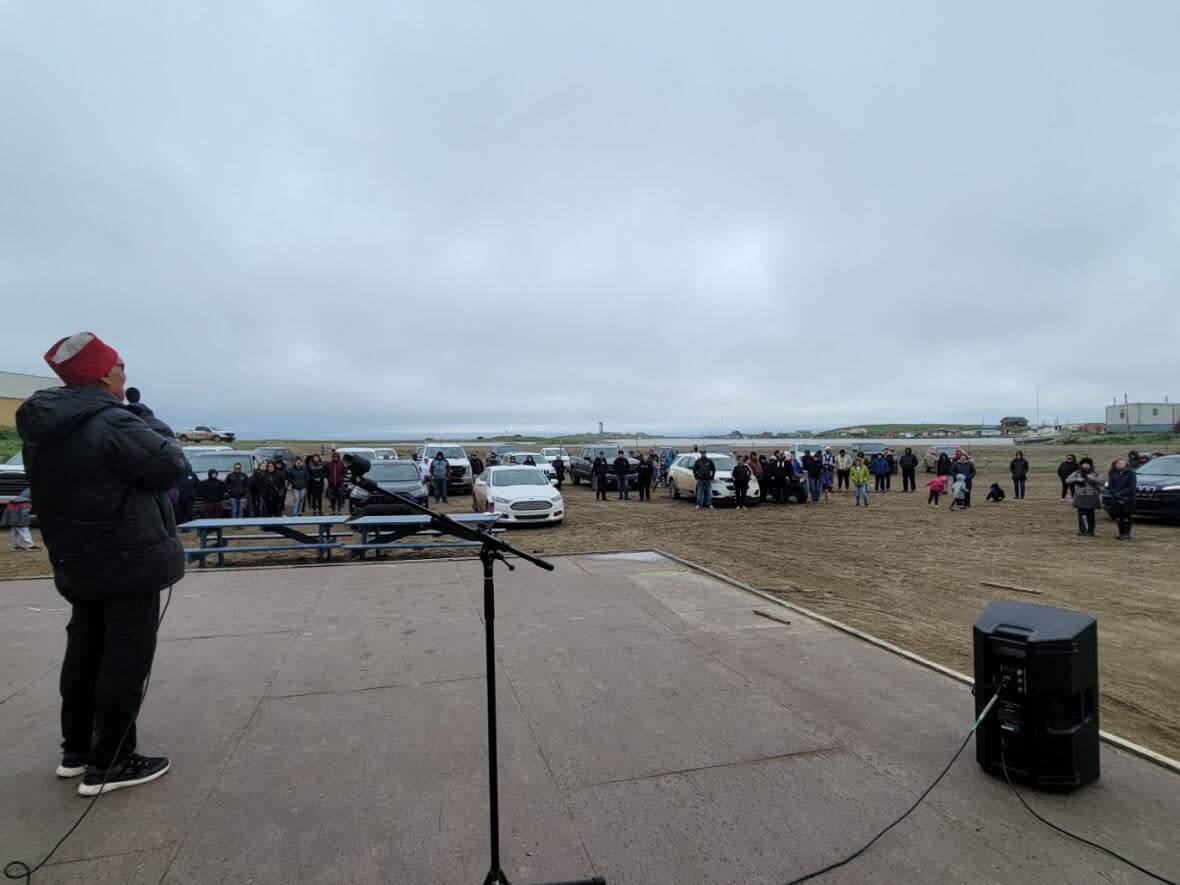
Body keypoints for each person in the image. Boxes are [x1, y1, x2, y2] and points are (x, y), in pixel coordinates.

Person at [17, 332, 186, 795]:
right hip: (126, 558)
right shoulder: (112, 422)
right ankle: (112, 760)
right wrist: (150, 423)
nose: (124, 375)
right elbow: (169, 466)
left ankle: (77, 750)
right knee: (124, 658)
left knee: (85, 650)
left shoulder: (46, 426)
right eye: (120, 367)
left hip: (77, 556)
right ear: (102, 374)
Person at [1067, 457, 1103, 536]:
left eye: (1088, 464)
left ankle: (1090, 531)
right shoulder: (1077, 473)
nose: (1086, 465)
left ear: (1091, 465)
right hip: (1080, 496)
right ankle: (1082, 530)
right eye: (1084, 464)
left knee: (1090, 514)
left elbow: (1102, 482)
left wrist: (1093, 478)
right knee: (1081, 514)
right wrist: (1077, 479)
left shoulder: (1095, 473)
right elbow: (1067, 480)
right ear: (1081, 465)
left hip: (1091, 497)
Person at [1106, 457, 1137, 541]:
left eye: (1121, 463)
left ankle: (1127, 534)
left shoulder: (1131, 473)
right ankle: (1121, 533)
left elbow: (1132, 486)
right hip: (1115, 498)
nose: (1119, 465)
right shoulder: (1113, 473)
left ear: (1125, 464)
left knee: (1126, 515)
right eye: (1117, 463)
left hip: (1127, 498)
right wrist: (1115, 494)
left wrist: (1121, 494)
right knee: (1118, 516)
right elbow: (1111, 485)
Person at [326, 451, 347, 515]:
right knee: (332, 498)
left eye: (337, 456)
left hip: (339, 484)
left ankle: (339, 511)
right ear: (332, 457)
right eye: (334, 456)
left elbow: (344, 472)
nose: (335, 457)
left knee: (340, 498)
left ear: (339, 457)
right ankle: (333, 511)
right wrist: (329, 479)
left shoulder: (341, 464)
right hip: (331, 484)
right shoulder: (329, 464)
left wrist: (341, 479)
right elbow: (327, 473)